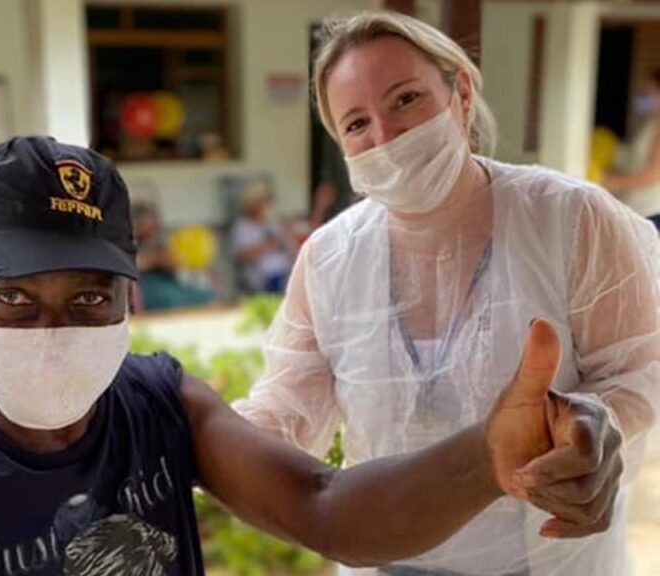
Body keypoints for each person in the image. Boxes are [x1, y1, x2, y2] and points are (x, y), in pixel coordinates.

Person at [0, 137, 614, 576]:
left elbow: (327, 511)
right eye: (12, 298)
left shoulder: (156, 402)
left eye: (89, 296)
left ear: (129, 295)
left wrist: (487, 458)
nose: (54, 331)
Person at [236, 12, 658, 576]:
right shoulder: (330, 258)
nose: (387, 137)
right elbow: (285, 409)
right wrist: (187, 438)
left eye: (406, 99)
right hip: (383, 557)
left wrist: (591, 427)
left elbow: (639, 367)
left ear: (461, 91)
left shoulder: (569, 219)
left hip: (552, 560)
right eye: (357, 124)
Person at [132, 202, 215, 311]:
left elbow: (173, 262)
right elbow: (134, 264)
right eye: (149, 222)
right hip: (147, 286)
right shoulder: (129, 243)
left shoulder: (158, 241)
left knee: (206, 295)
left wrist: (174, 262)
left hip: (169, 282)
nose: (154, 226)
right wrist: (156, 260)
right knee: (172, 299)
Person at [603, 69, 660, 227]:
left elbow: (656, 173)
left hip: (650, 209)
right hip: (638, 206)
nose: (644, 95)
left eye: (649, 91)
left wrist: (613, 181)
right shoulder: (652, 121)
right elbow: (636, 160)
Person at [231, 181, 293, 293]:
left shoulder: (273, 223)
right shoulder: (243, 227)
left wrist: (288, 234)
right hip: (263, 280)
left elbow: (290, 250)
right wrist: (274, 242)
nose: (270, 205)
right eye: (265, 201)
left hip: (285, 273)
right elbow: (245, 258)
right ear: (253, 204)